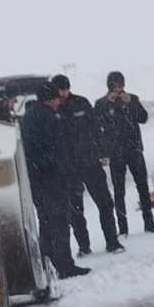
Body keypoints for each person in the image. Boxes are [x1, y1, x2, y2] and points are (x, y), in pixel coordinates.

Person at [18, 82, 89, 278]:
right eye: (57, 98)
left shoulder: (28, 116)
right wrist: (69, 175)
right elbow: (58, 152)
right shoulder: (50, 117)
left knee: (46, 221)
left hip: (35, 178)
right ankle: (65, 265)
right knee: (59, 222)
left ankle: (46, 261)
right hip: (52, 178)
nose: (59, 102)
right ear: (51, 99)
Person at [51, 74, 123, 255]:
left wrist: (103, 152)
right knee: (75, 209)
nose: (62, 93)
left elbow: (96, 128)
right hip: (69, 166)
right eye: (59, 90)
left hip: (90, 160)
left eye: (65, 89)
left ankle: (112, 241)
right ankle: (84, 246)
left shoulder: (81, 103)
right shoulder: (53, 109)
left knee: (105, 203)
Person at [94, 70, 154, 235]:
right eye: (114, 86)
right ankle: (123, 227)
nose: (117, 90)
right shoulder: (101, 103)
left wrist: (132, 102)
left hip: (134, 149)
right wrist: (106, 105)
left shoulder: (132, 99)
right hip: (116, 152)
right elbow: (97, 124)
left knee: (142, 186)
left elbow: (143, 118)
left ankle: (149, 221)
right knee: (119, 190)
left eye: (120, 86)